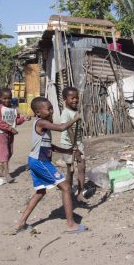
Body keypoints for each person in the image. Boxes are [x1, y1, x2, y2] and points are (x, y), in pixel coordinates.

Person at [15, 97, 87, 234]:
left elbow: (49, 146)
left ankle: (21, 223)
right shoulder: (41, 122)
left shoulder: (44, 124)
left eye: (51, 108)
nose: (51, 111)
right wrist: (75, 119)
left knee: (40, 192)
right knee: (66, 187)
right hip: (40, 162)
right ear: (38, 112)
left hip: (36, 161)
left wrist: (66, 150)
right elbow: (61, 127)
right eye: (48, 109)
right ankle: (71, 224)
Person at [0, 88, 30, 183]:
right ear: (0, 98)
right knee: (5, 153)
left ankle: (1, 169)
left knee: (10, 152)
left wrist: (24, 119)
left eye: (9, 98)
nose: (7, 100)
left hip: (11, 134)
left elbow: (16, 121)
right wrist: (10, 128)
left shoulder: (14, 109)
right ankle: (7, 174)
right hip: (2, 134)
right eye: (4, 98)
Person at [57, 87, 86, 203]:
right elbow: (69, 130)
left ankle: (80, 193)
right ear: (65, 99)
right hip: (68, 144)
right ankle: (68, 191)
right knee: (71, 170)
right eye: (72, 98)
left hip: (78, 143)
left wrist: (78, 145)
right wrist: (75, 148)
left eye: (76, 97)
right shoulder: (65, 113)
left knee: (82, 167)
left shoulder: (76, 111)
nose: (75, 100)